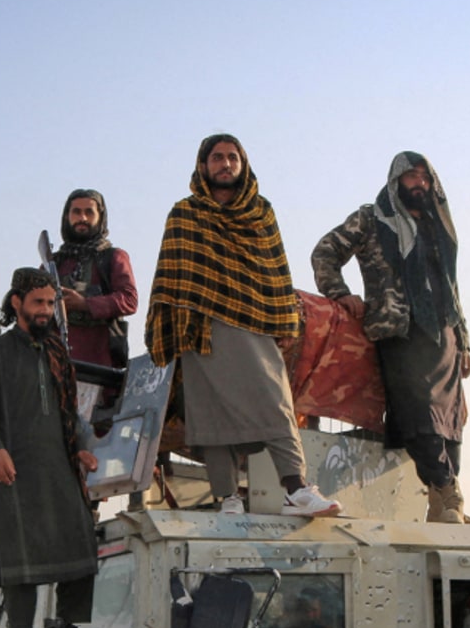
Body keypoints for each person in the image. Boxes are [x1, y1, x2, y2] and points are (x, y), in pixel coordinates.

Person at [145, 133, 341, 518]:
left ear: (243, 164)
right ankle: (227, 498)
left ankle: (296, 490)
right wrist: (169, 330)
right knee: (210, 415)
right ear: (204, 166)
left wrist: (283, 319)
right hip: (201, 329)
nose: (225, 164)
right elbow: (171, 277)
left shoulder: (261, 212)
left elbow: (274, 273)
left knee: (275, 403)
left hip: (252, 322)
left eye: (232, 157)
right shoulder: (184, 214)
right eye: (217, 157)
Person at [311, 151, 470, 524]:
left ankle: (442, 505)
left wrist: (464, 341)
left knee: (450, 422)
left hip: (444, 332)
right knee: (419, 414)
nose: (419, 183)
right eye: (411, 176)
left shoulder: (439, 228)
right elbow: (325, 251)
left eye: (424, 177)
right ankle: (449, 490)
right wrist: (340, 294)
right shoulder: (372, 219)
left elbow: (451, 288)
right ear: (396, 181)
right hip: (399, 329)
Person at [0, 267, 105, 628]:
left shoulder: (58, 352)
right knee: (21, 550)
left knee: (80, 539)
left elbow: (72, 413)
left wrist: (81, 447)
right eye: (38, 303)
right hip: (14, 468)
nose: (46, 311)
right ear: (17, 303)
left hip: (59, 466)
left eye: (50, 303)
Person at [53, 188, 138, 372]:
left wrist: (85, 303)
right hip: (56, 363)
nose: (82, 218)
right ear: (67, 216)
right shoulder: (53, 263)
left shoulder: (112, 257)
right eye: (76, 212)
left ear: (100, 217)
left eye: (89, 212)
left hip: (100, 362)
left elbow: (129, 300)